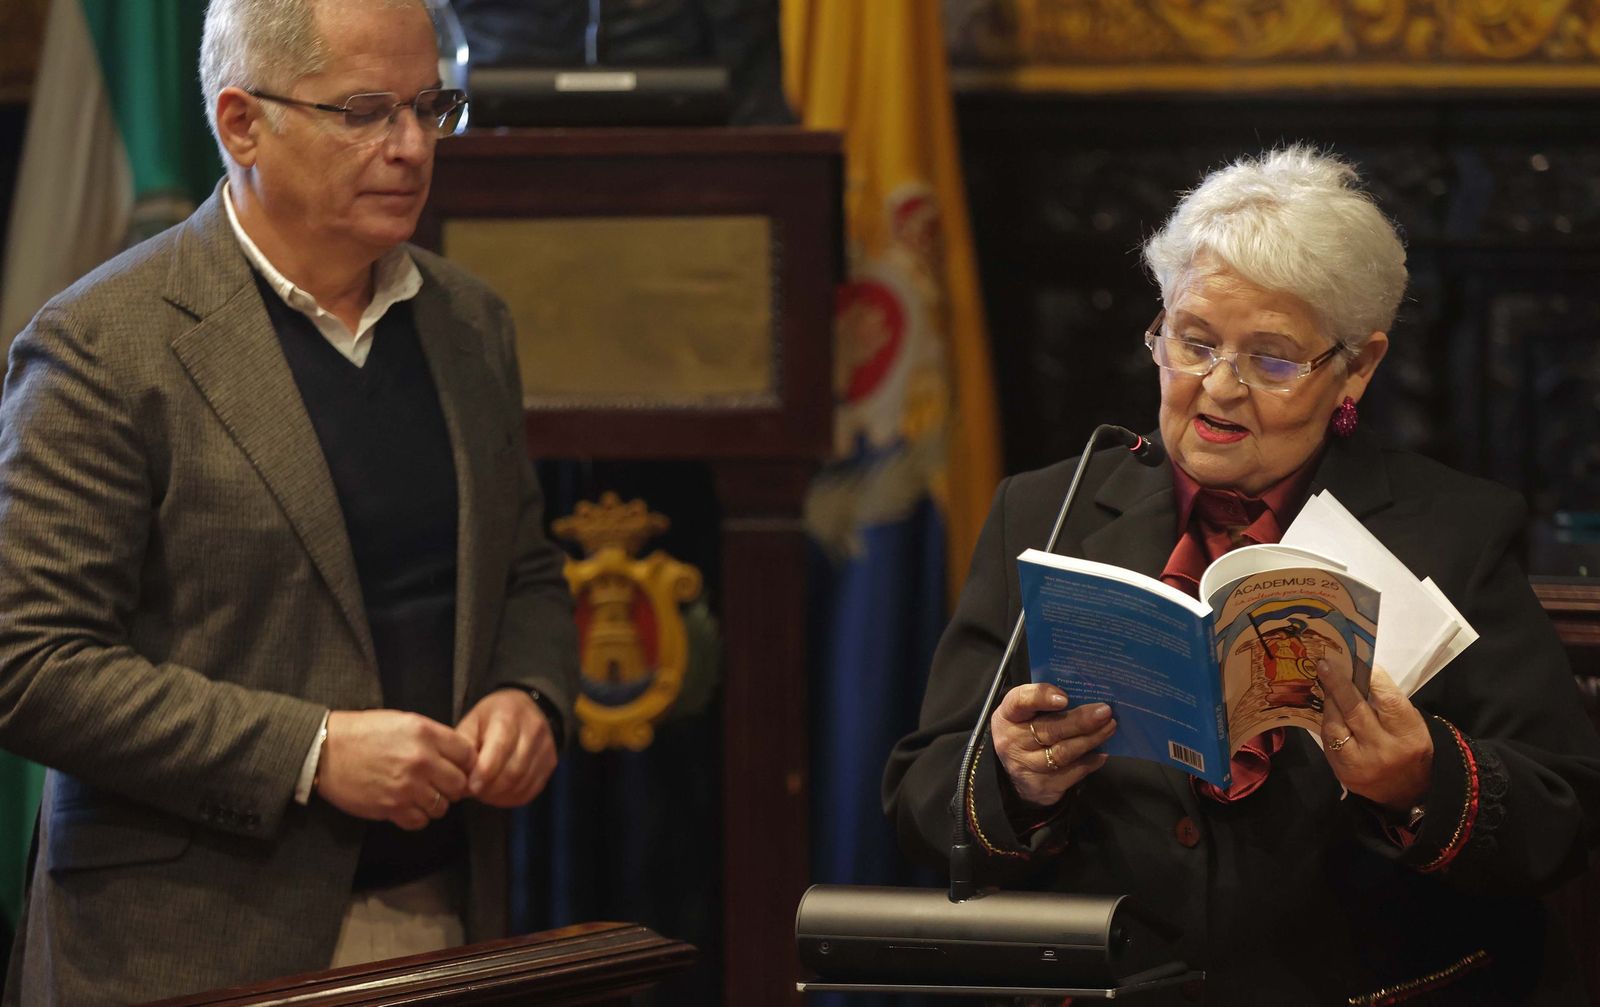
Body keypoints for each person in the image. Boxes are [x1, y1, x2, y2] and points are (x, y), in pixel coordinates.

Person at [883, 146, 1600, 1005]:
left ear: (1357, 366)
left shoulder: (1455, 530)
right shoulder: (1049, 511)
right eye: (1193, 343)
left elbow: (1565, 812)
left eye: (1271, 359)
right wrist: (1014, 776)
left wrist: (1422, 778)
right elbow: (925, 788)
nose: (1218, 390)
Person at [0, 0, 578, 1001]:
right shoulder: (104, 343)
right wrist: (309, 751)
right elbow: (30, 662)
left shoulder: (469, 323)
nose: (410, 148)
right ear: (240, 124)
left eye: (429, 107)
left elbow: (522, 568)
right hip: (183, 943)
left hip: (445, 916)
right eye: (364, 111)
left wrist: (528, 694)